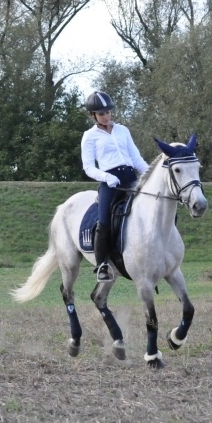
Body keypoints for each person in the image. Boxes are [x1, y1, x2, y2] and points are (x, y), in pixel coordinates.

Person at [81, 91, 149, 282]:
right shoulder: (89, 136)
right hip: (110, 182)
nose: (106, 116)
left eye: (108, 112)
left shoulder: (122, 130)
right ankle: (102, 265)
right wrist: (106, 177)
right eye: (101, 113)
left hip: (130, 177)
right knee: (103, 222)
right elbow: (88, 167)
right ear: (93, 115)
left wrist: (149, 175)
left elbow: (136, 159)